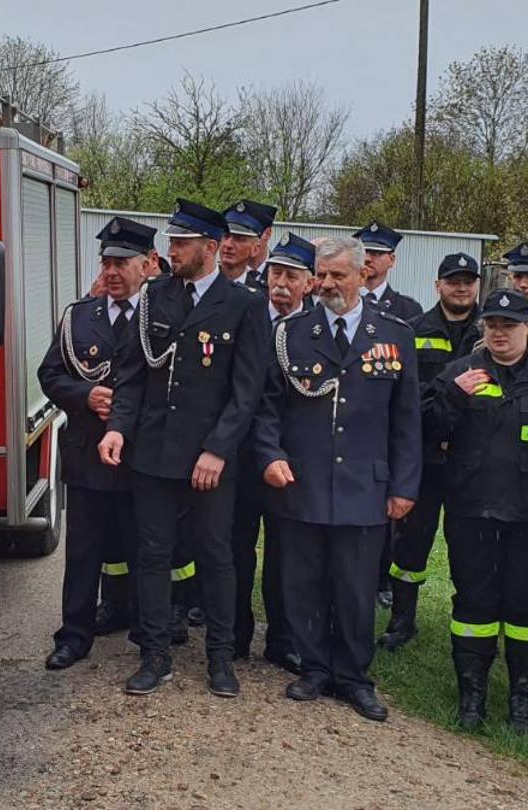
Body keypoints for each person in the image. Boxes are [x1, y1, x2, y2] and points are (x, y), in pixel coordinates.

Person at [100, 198, 270, 698]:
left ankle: (220, 656)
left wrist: (218, 449)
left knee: (217, 555)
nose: (170, 250)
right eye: (171, 241)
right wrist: (118, 429)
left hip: (210, 460)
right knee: (151, 554)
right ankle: (155, 654)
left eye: (180, 243)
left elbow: (247, 391)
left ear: (211, 248)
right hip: (153, 454)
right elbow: (131, 375)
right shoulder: (155, 297)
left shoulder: (244, 306)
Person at [252, 235, 420, 722]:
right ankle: (315, 667)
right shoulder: (290, 333)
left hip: (364, 486)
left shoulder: (394, 334)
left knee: (354, 585)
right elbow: (267, 409)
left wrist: (405, 486)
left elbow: (407, 419)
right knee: (304, 581)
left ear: (363, 275)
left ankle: (353, 676)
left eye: (336, 276)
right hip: (301, 481)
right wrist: (270, 455)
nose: (326, 284)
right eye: (320, 275)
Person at [424, 289, 528, 732]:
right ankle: (471, 696)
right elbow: (427, 429)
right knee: (474, 603)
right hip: (472, 508)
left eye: (509, 326)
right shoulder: (461, 372)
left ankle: (523, 697)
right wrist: (453, 396)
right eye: (491, 325)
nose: (499, 334)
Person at [40, 216, 156, 669]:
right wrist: (84, 394)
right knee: (84, 552)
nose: (111, 271)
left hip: (141, 459)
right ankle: (74, 634)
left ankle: (149, 635)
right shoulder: (78, 317)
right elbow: (49, 376)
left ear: (146, 265)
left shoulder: (159, 316)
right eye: (106, 262)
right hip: (88, 455)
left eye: (122, 263)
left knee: (144, 550)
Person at [379, 251, 482, 649]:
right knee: (411, 542)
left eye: (468, 281)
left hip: (471, 457)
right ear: (437, 285)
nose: (461, 287)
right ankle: (402, 619)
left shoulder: (489, 332)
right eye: (453, 280)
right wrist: (446, 394)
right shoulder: (413, 329)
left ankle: (468, 620)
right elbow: (406, 397)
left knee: (468, 543)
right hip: (423, 454)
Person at [231, 233, 316, 674]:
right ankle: (235, 634)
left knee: (287, 557)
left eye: (292, 276)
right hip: (242, 459)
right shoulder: (245, 315)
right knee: (236, 550)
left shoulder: (317, 329)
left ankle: (284, 639)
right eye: (276, 274)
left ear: (310, 284)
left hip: (291, 462)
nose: (281, 283)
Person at [353, 221, 425, 322]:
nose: (367, 258)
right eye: (363, 252)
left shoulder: (408, 310)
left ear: (391, 260)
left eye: (376, 253)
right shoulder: (341, 302)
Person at [221, 199, 278, 292]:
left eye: (240, 238)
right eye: (226, 236)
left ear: (267, 234)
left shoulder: (281, 274)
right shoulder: (217, 277)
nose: (229, 244)